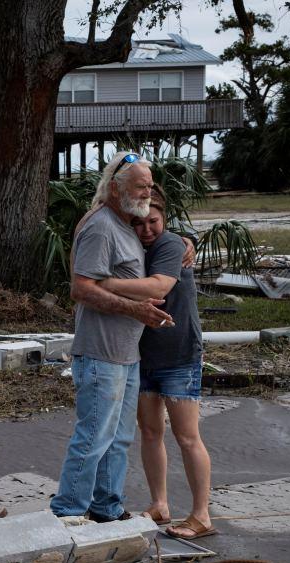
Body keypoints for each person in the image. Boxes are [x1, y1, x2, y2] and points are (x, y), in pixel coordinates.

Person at [49, 152, 174, 523]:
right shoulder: (102, 226)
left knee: (118, 440)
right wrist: (135, 310)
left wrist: (186, 244)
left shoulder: (127, 223)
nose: (148, 191)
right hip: (100, 354)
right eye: (141, 186)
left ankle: (106, 506)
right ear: (117, 190)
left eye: (150, 185)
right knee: (93, 438)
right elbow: (81, 289)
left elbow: (163, 233)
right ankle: (68, 512)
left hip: (125, 354)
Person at [98, 187, 215, 539]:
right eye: (139, 223)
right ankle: (159, 503)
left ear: (165, 220)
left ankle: (201, 514)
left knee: (187, 436)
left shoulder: (171, 245)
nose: (147, 229)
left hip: (179, 355)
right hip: (142, 355)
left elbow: (158, 290)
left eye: (154, 221)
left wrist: (103, 283)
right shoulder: (133, 245)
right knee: (150, 432)